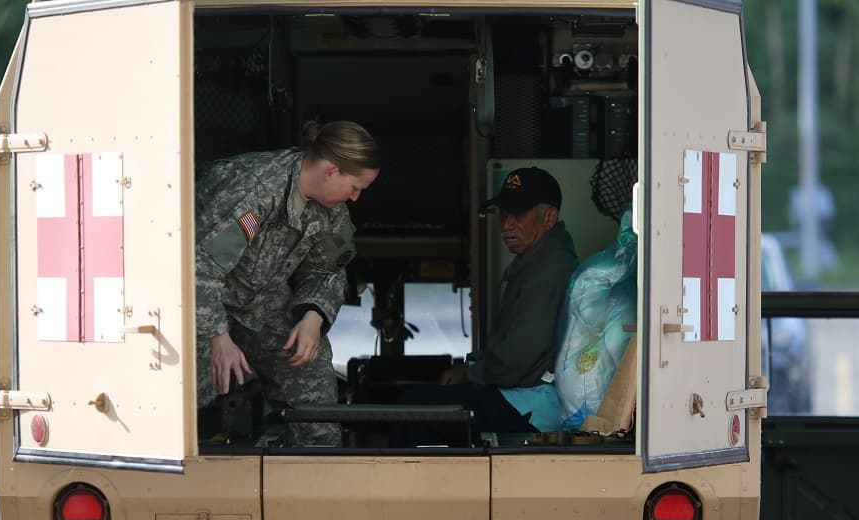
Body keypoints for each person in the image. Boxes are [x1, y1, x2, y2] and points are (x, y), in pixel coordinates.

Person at [195, 120, 380, 446]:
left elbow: (329, 270)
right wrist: (218, 337)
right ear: (332, 171)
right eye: (355, 187)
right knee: (194, 398)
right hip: (199, 305)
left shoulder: (331, 211)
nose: (355, 198)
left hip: (261, 302)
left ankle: (316, 479)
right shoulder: (256, 188)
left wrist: (313, 317)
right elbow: (199, 268)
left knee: (312, 373)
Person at [392, 167, 578, 447]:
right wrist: (471, 369)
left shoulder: (548, 270)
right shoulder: (538, 262)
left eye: (518, 215)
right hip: (522, 393)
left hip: (532, 402)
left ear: (549, 218)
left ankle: (407, 489)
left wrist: (470, 373)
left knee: (415, 407)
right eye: (504, 213)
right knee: (434, 405)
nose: (505, 225)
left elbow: (515, 362)